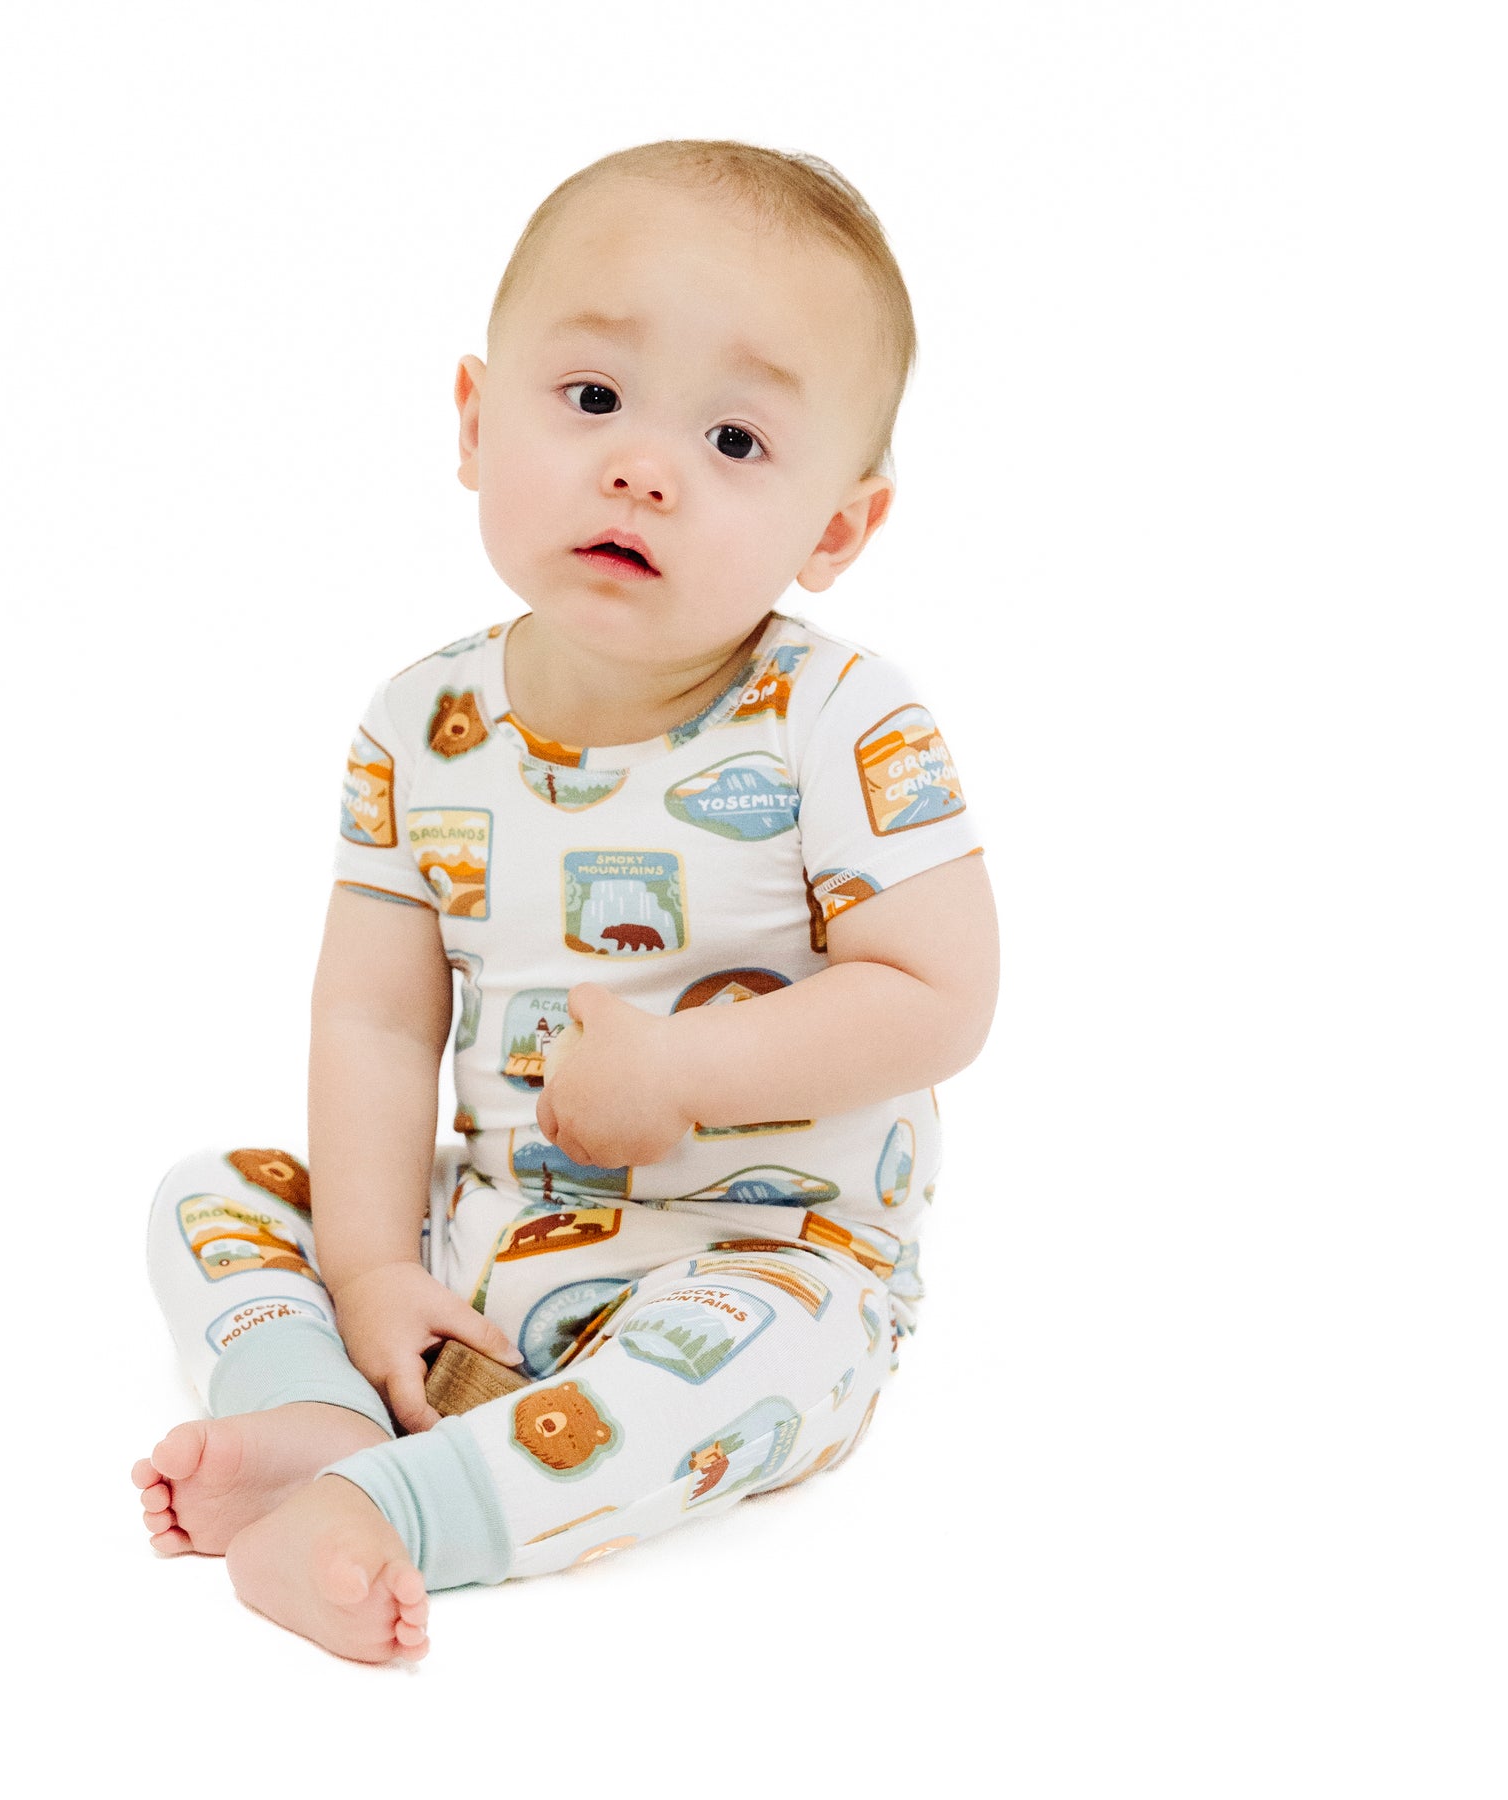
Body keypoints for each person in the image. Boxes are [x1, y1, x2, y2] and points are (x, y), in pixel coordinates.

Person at [130, 137, 1001, 1664]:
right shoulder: (421, 724)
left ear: (837, 529)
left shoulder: (840, 722)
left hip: (759, 1260)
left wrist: (683, 1071)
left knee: (759, 1360)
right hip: (490, 1234)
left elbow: (942, 995)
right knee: (211, 1194)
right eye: (594, 397)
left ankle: (403, 1510)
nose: (643, 468)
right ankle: (317, 1410)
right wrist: (374, 1270)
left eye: (734, 439)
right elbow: (375, 1022)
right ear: (475, 423)